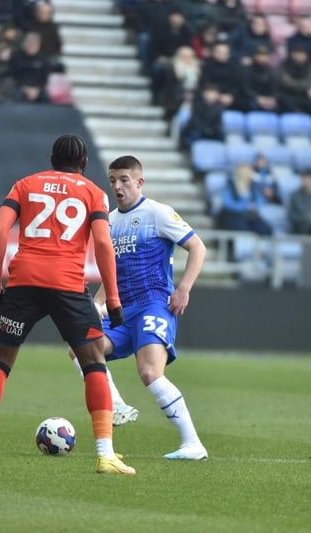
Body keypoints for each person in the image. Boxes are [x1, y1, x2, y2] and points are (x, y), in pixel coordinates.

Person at [0, 134, 136, 476]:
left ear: (52, 158)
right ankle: (106, 454)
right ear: (83, 163)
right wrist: (112, 298)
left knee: (1, 360)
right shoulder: (93, 192)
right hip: (68, 285)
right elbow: (103, 245)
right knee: (94, 362)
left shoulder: (25, 184)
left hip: (23, 283)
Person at [69, 155, 209, 460]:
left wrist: (184, 288)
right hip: (122, 310)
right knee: (80, 344)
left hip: (153, 305)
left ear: (139, 182)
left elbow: (197, 247)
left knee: (149, 372)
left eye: (124, 180)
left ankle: (193, 444)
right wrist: (98, 303)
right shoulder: (109, 221)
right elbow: (115, 270)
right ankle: (116, 404)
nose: (117, 187)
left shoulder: (157, 213)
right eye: (112, 180)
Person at [217, 162, 273, 235]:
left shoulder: (253, 185)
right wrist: (245, 207)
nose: (250, 173)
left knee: (265, 228)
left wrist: (254, 206)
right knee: (242, 228)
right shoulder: (230, 185)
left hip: (249, 216)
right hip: (233, 215)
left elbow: (260, 200)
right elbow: (227, 204)